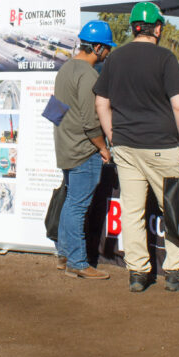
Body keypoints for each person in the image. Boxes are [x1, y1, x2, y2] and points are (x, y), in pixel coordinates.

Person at [94, 2, 179, 293]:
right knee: (173, 209)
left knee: (132, 211)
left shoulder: (115, 58)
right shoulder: (165, 58)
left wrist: (112, 136)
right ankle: (175, 271)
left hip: (126, 148)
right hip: (162, 147)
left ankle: (137, 273)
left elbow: (101, 102)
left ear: (133, 27)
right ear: (157, 28)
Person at [52, 21, 114, 280]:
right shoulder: (89, 75)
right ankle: (77, 262)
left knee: (70, 203)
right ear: (98, 47)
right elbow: (91, 122)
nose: (108, 53)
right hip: (84, 151)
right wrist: (103, 148)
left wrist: (66, 136)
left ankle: (65, 254)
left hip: (66, 147)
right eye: (107, 48)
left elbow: (53, 112)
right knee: (77, 206)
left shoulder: (65, 69)